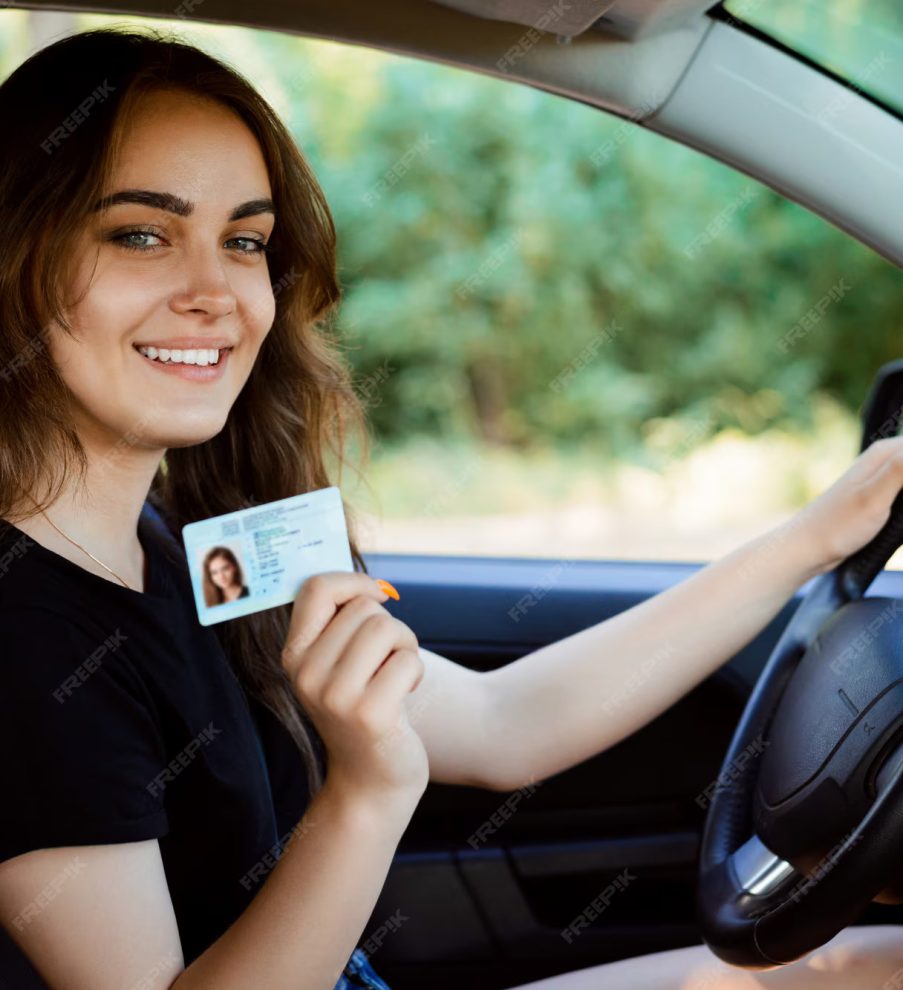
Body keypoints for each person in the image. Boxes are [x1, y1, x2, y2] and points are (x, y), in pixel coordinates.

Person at [0, 24, 901, 990]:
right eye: (141, 234)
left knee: (867, 962)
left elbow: (506, 720)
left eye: (245, 240)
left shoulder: (183, 547)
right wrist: (368, 794)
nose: (216, 292)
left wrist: (815, 537)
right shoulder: (25, 636)